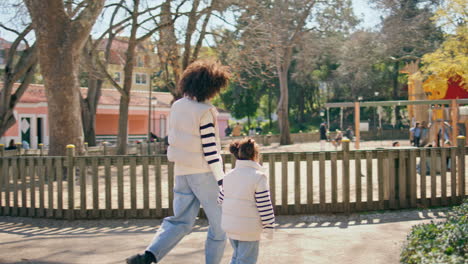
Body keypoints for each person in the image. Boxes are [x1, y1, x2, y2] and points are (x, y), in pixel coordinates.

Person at [127, 60, 231, 264]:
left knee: (180, 221)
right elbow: (210, 150)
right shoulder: (205, 111)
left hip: (181, 171)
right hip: (204, 173)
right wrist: (221, 179)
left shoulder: (177, 106)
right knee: (220, 224)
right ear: (211, 87)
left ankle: (149, 256)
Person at [218, 138, 275, 264]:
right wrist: (269, 227)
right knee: (246, 260)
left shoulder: (228, 175)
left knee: (237, 257)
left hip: (231, 226)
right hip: (249, 229)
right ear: (255, 155)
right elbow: (265, 206)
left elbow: (220, 199)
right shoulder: (258, 177)